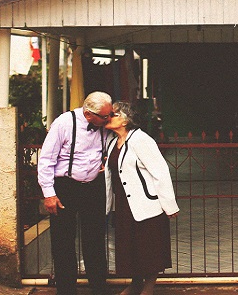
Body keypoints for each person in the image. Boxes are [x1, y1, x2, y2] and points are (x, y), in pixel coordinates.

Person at [37, 90, 114, 295]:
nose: (108, 119)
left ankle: (99, 288)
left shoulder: (105, 125)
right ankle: (66, 290)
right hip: (66, 187)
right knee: (63, 241)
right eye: (104, 116)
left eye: (110, 115)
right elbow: (46, 160)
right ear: (89, 114)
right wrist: (49, 194)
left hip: (93, 186)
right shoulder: (64, 123)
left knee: (95, 239)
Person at [104, 101, 179, 295]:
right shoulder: (113, 141)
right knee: (130, 247)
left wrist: (169, 205)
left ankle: (148, 287)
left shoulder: (141, 140)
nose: (108, 117)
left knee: (149, 248)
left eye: (112, 114)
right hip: (123, 203)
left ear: (125, 119)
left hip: (146, 202)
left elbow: (160, 172)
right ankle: (135, 283)